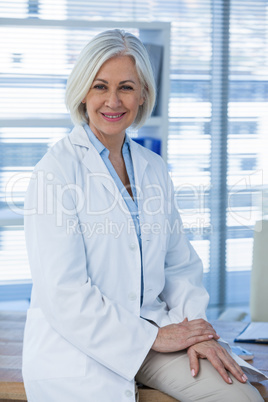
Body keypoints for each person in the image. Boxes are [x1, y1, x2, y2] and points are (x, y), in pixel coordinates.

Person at [22, 29, 263, 402]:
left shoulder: (152, 168)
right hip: (80, 348)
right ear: (83, 92)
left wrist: (193, 333)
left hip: (156, 335)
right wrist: (154, 337)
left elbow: (179, 266)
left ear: (143, 95)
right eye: (100, 86)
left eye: (127, 87)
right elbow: (64, 293)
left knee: (238, 396)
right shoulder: (55, 172)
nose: (113, 101)